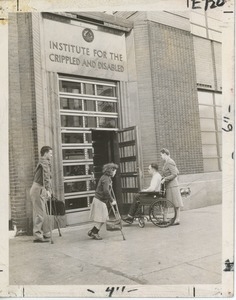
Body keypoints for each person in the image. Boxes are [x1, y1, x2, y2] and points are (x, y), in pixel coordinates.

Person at [88, 163, 118, 240]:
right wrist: (112, 200)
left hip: (100, 200)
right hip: (100, 200)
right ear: (111, 171)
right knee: (102, 218)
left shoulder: (106, 178)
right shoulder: (106, 179)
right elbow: (106, 191)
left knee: (102, 218)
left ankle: (92, 231)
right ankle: (94, 232)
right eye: (114, 171)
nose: (115, 172)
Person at [30, 146, 53, 243]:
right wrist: (47, 189)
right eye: (50, 153)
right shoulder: (44, 161)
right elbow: (46, 176)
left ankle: (44, 233)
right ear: (46, 153)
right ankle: (37, 236)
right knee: (39, 213)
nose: (51, 155)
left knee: (42, 212)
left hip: (39, 188)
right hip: (39, 188)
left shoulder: (44, 161)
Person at [160, 148, 183, 225]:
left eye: (161, 155)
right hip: (170, 185)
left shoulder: (170, 162)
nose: (161, 156)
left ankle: (177, 219)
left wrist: (165, 178)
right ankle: (166, 219)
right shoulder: (167, 162)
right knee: (168, 203)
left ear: (165, 154)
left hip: (172, 185)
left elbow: (175, 174)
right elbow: (177, 172)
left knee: (176, 203)